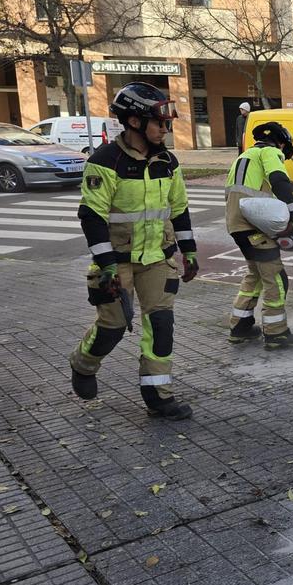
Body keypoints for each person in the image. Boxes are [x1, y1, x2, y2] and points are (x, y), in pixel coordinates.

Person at [69, 82, 199, 420]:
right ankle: (83, 364)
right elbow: (92, 217)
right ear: (135, 122)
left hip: (158, 258)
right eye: (160, 123)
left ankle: (158, 396)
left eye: (167, 124)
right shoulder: (105, 162)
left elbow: (179, 208)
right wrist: (107, 266)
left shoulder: (167, 161)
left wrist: (190, 251)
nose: (165, 130)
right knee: (112, 327)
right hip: (117, 262)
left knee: (161, 323)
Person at [224, 121, 293, 350]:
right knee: (276, 277)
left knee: (255, 275)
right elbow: (279, 180)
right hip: (253, 226)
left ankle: (240, 327)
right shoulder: (270, 151)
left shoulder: (244, 156)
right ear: (281, 142)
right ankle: (276, 333)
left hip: (237, 226)